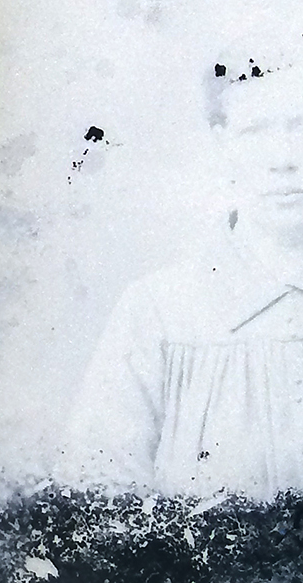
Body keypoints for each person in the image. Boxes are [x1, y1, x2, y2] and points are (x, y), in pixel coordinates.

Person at [58, 25, 303, 500]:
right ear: (222, 142)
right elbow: (95, 509)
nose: (284, 159)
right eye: (256, 131)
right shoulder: (159, 313)